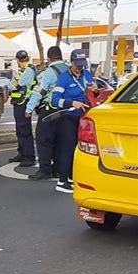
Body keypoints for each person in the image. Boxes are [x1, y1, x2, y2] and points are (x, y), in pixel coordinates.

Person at [51, 48, 98, 194]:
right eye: (77, 64)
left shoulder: (87, 75)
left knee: (80, 149)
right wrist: (72, 103)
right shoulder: (64, 78)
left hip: (83, 118)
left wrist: (95, 90)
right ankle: (62, 181)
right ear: (71, 62)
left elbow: (93, 94)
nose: (80, 67)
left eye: (82, 64)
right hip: (68, 118)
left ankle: (72, 177)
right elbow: (55, 100)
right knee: (67, 149)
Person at [26, 46, 68, 181]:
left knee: (43, 140)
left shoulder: (49, 71)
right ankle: (57, 169)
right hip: (65, 109)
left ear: (49, 58)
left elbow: (40, 90)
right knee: (60, 141)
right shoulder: (68, 70)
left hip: (49, 110)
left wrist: (29, 108)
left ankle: (44, 170)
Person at [8, 50, 37, 166]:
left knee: (25, 131)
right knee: (20, 130)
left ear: (18, 60)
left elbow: (16, 85)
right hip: (19, 102)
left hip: (24, 103)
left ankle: (29, 157)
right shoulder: (23, 70)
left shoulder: (28, 71)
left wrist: (11, 85)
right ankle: (22, 153)